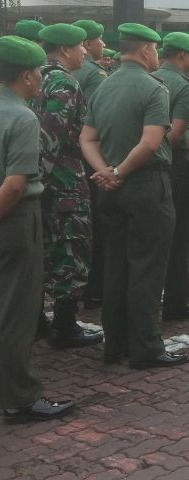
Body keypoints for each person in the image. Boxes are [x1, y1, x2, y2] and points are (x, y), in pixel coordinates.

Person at [79, 23, 184, 369]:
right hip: (144, 186)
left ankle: (115, 345)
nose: (156, 55)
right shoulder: (154, 88)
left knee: (117, 266)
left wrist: (105, 172)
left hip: (110, 188)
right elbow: (151, 143)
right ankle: (146, 348)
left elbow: (87, 139)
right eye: (155, 49)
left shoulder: (103, 86)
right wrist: (120, 172)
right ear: (145, 50)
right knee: (147, 268)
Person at [0, 36, 75, 424]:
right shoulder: (22, 116)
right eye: (37, 76)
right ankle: (20, 397)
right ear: (27, 76)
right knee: (17, 310)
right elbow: (14, 184)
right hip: (13, 217)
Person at [34, 23, 103, 349]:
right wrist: (40, 183)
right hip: (63, 183)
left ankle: (38, 321)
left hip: (44, 182)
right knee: (70, 250)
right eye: (80, 46)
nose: (85, 51)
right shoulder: (62, 81)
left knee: (42, 250)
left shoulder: (35, 77)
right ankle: (64, 326)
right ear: (64, 50)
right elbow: (50, 139)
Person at [153, 32, 189, 322]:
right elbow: (174, 135)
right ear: (182, 56)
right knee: (182, 234)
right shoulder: (183, 87)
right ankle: (178, 300)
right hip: (174, 164)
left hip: (143, 164)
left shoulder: (151, 77)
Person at [71, 19, 108, 307]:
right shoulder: (94, 75)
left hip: (68, 158)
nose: (102, 45)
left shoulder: (53, 72)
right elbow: (99, 121)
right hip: (88, 158)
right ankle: (94, 288)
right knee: (95, 225)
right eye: (99, 40)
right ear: (86, 44)